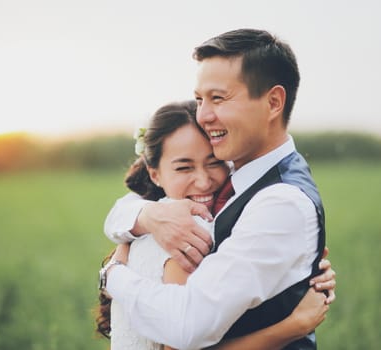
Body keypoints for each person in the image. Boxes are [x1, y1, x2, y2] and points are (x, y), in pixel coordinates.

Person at [103, 29, 334, 349]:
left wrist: (112, 275)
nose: (204, 115)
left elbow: (188, 326)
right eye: (200, 99)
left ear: (273, 102)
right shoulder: (231, 175)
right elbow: (127, 206)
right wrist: (149, 214)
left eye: (218, 98)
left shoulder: (281, 203)